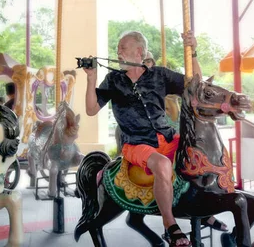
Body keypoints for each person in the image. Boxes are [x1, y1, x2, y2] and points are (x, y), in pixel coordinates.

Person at [85, 30, 226, 247]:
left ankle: (203, 206)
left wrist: (193, 52)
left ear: (139, 51)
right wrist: (91, 78)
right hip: (137, 143)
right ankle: (170, 226)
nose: (118, 51)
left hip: (167, 136)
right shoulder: (113, 80)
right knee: (162, 164)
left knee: (200, 153)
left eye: (123, 47)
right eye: (118, 49)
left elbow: (196, 87)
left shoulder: (159, 75)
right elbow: (92, 109)